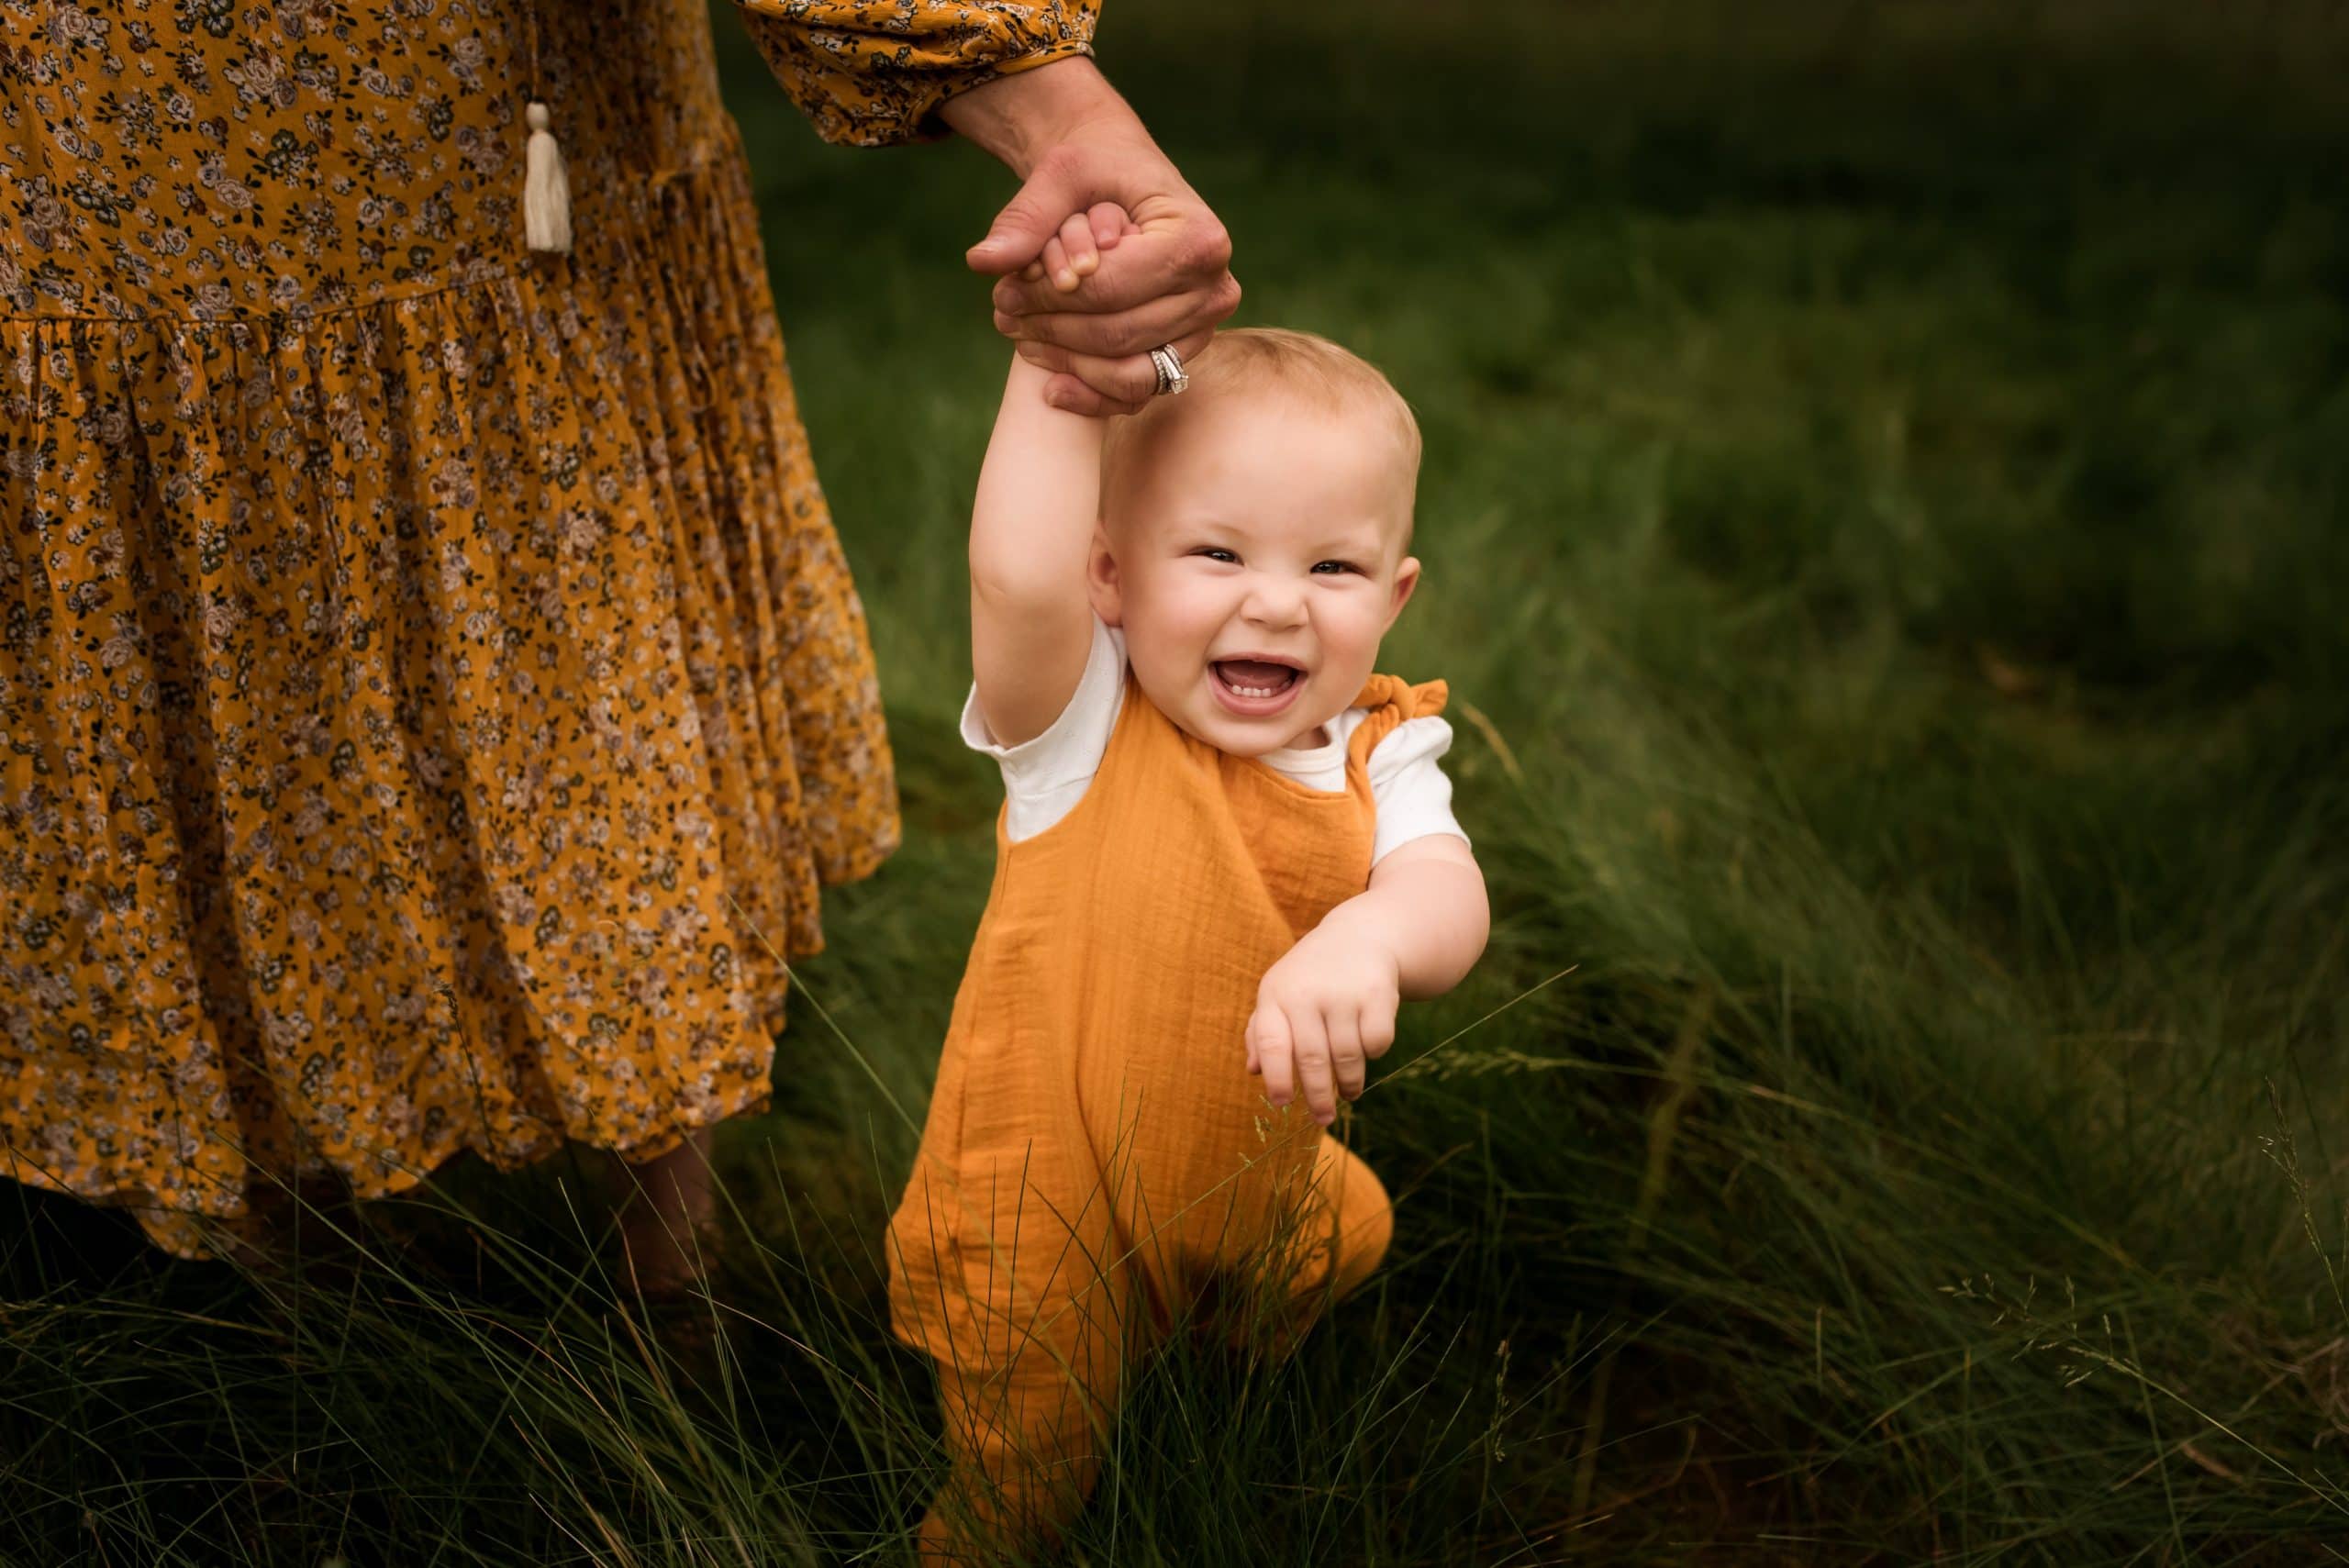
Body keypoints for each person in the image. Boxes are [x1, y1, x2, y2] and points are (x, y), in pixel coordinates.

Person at [0, 1, 1234, 1285]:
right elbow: (1027, 588)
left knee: (588, 695)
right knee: (233, 690)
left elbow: (1031, 589)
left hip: (480, 130)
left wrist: (1034, 91)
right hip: (97, 151)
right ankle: (273, 1289)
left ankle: (661, 1255)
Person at [886, 304, 1492, 1557]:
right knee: (1030, 1477)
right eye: (1216, 553)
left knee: (1348, 1229)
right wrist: (1056, 359)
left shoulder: (1384, 750)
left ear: (1394, 592)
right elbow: (1017, 572)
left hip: (1244, 1164)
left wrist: (1372, 936)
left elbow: (1447, 892)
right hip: (1052, 1201)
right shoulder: (1082, 725)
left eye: (1331, 568)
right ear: (1111, 574)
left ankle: (1213, 1354)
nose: (1276, 604)